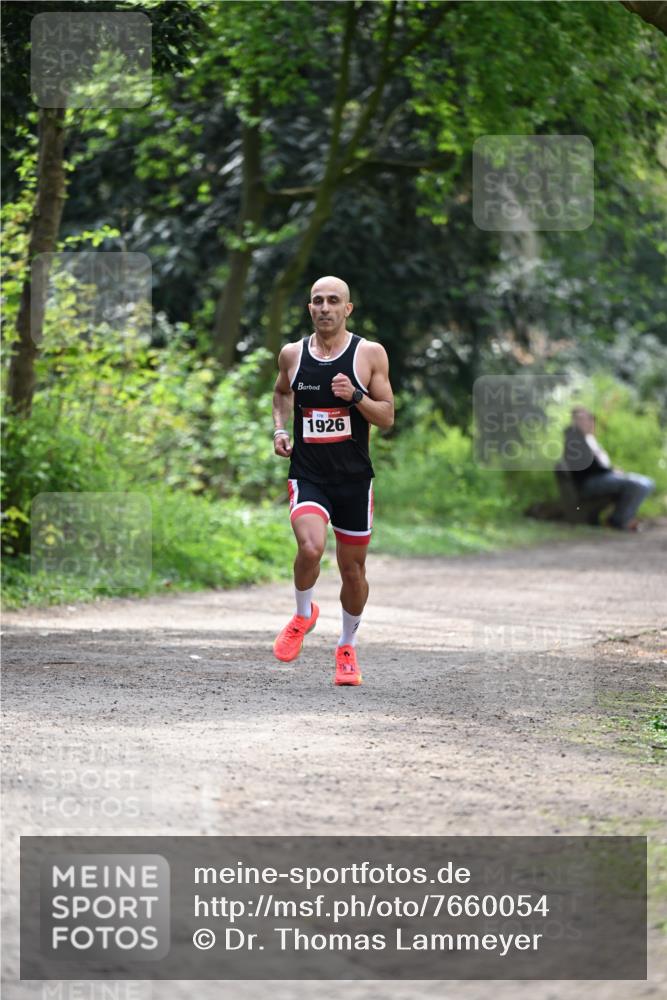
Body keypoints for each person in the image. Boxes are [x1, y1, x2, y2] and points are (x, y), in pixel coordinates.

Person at [271, 275, 394, 685]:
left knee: (353, 572)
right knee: (310, 547)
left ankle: (346, 647)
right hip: (309, 475)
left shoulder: (369, 354)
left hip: (355, 480)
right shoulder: (292, 354)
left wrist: (356, 396)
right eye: (317, 301)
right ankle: (303, 615)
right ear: (309, 308)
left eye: (333, 301)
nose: (324, 307)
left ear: (347, 309)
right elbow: (282, 392)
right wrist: (280, 429)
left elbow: (388, 417)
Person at [563, 406, 655, 531]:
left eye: (589, 418)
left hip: (602, 477)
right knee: (639, 485)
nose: (588, 422)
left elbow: (597, 464)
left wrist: (611, 470)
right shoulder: (574, 440)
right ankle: (619, 520)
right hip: (589, 482)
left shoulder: (588, 439)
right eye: (582, 419)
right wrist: (611, 471)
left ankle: (622, 518)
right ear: (574, 421)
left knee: (647, 483)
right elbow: (587, 467)